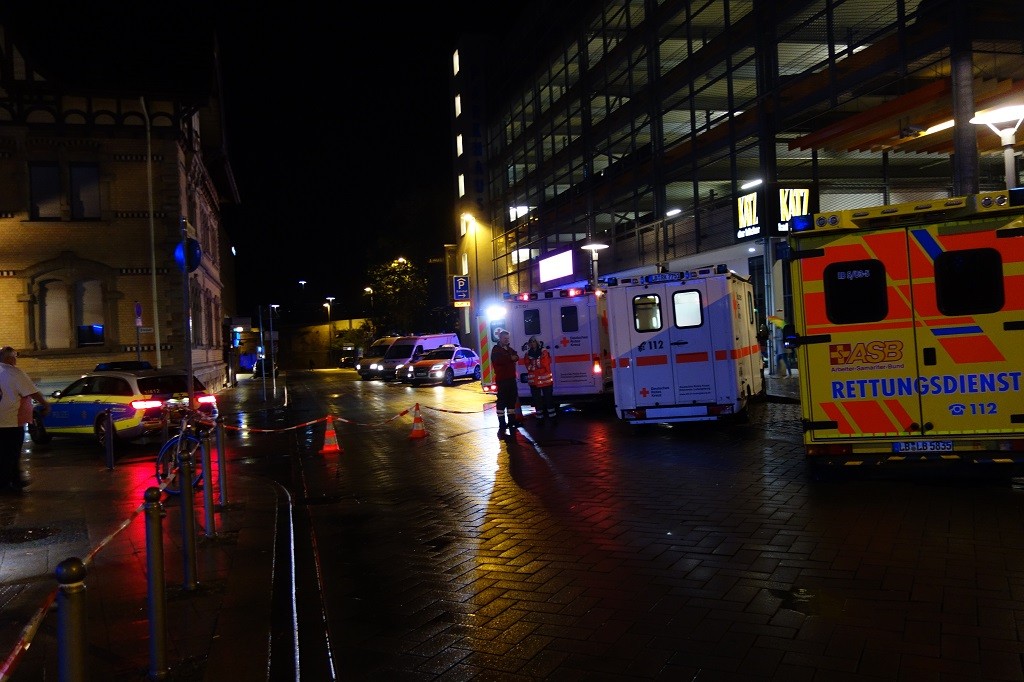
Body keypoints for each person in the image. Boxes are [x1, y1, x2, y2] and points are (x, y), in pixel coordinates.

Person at [0, 346, 50, 492]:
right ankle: (5, 484)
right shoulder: (14, 373)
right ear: (10, 358)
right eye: (15, 357)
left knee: (5, 453)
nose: (16, 360)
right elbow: (32, 392)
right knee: (11, 453)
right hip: (11, 421)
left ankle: (16, 480)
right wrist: (45, 404)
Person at [490, 329, 520, 439]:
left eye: (508, 338)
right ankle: (502, 423)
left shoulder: (509, 349)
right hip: (502, 380)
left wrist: (514, 357)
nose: (507, 340)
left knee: (511, 401)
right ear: (500, 338)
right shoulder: (496, 350)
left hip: (511, 379)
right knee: (502, 402)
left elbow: (516, 356)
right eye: (505, 338)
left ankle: (511, 422)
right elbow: (498, 360)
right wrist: (510, 358)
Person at [525, 337, 556, 424]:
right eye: (531, 342)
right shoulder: (527, 354)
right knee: (537, 401)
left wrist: (534, 367)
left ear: (537, 342)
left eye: (534, 341)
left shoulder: (544, 351)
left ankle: (553, 419)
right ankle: (540, 419)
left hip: (546, 382)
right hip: (534, 382)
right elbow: (527, 365)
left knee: (549, 400)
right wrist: (535, 367)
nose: (532, 343)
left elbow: (545, 364)